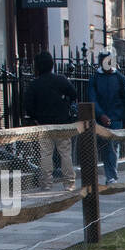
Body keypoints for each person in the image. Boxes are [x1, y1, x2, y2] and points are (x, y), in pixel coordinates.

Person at [24, 51, 77, 193]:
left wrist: (36, 117)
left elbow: (28, 106)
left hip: (44, 124)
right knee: (65, 153)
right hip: (62, 123)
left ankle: (46, 183)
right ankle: (69, 183)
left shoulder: (35, 85)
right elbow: (74, 94)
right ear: (52, 64)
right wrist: (65, 103)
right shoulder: (61, 80)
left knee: (46, 154)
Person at [88, 49, 125, 185]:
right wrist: (100, 114)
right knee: (106, 147)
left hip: (117, 119)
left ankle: (112, 175)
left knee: (113, 147)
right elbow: (92, 99)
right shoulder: (95, 79)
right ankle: (111, 176)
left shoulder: (120, 78)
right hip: (101, 121)